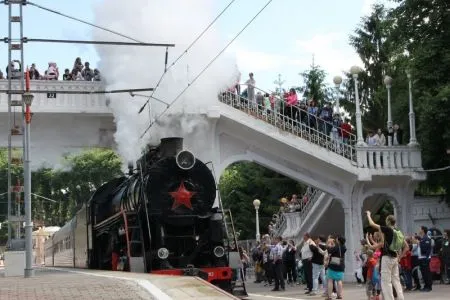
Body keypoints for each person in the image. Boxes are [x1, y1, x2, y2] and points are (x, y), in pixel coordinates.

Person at [366, 212, 408, 300]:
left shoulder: (387, 229)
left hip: (387, 258)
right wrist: (400, 257)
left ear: (388, 221)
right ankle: (401, 298)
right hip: (395, 258)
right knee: (396, 280)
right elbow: (406, 247)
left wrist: (369, 215)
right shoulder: (398, 231)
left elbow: (372, 224)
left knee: (386, 282)